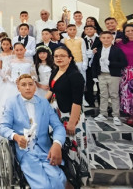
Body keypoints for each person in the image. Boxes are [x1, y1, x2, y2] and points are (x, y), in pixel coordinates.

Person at [0, 74, 66, 189]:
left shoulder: (44, 103)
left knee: (59, 180)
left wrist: (57, 144)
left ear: (35, 87)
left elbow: (58, 126)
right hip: (25, 150)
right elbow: (3, 127)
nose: (28, 87)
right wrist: (16, 137)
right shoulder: (11, 103)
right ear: (18, 88)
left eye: (30, 84)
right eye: (23, 85)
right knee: (43, 185)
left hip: (45, 149)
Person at [46, 46, 89, 187]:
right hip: (57, 114)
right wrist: (39, 104)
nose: (58, 58)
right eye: (56, 55)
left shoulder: (75, 75)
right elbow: (52, 91)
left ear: (70, 58)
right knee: (61, 146)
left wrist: (71, 122)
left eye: (62, 56)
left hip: (71, 116)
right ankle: (63, 178)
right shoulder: (55, 71)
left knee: (73, 148)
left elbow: (77, 101)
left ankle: (76, 180)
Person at [0, 42, 32, 125]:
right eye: (17, 50)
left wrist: (28, 81)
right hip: (13, 85)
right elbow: (7, 74)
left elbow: (33, 75)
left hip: (26, 86)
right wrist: (13, 80)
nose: (19, 52)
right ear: (14, 51)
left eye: (21, 50)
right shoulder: (11, 61)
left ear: (25, 50)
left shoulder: (29, 62)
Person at [92, 31, 127, 126]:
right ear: (100, 39)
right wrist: (94, 76)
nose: (106, 39)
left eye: (108, 37)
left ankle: (116, 115)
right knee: (103, 95)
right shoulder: (98, 50)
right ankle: (103, 113)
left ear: (112, 39)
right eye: (104, 38)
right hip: (101, 75)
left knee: (114, 95)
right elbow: (94, 64)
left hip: (113, 75)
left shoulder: (117, 50)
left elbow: (124, 63)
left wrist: (110, 63)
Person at [83, 25, 102, 107]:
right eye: (86, 29)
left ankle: (101, 103)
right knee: (88, 84)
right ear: (84, 31)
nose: (89, 30)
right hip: (87, 66)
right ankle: (90, 102)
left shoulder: (100, 39)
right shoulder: (82, 40)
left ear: (95, 30)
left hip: (98, 65)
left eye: (91, 29)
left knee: (99, 85)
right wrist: (89, 52)